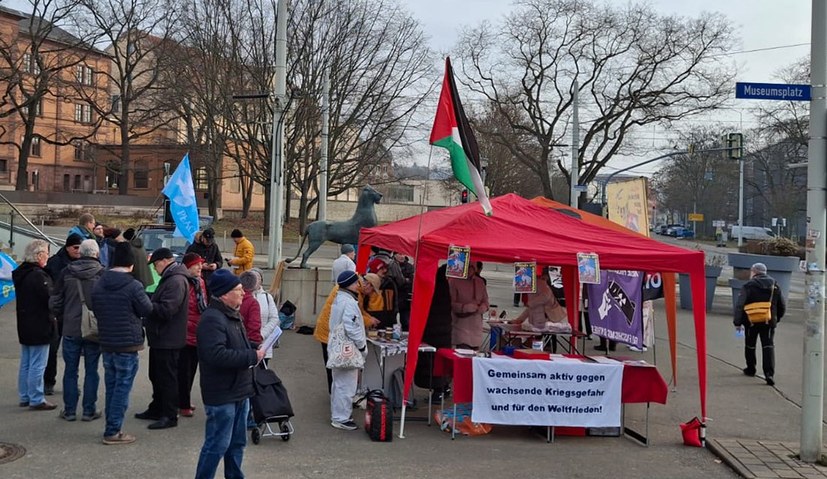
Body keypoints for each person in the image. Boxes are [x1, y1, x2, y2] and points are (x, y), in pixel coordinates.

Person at [194, 269, 264, 479]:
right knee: (217, 445)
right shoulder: (212, 319)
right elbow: (216, 355)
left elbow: (234, 345)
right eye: (238, 290)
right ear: (224, 294)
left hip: (240, 391)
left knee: (237, 444)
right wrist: (251, 356)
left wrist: (252, 346)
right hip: (222, 394)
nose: (243, 293)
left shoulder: (232, 314)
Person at [91, 242, 153, 445]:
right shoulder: (133, 285)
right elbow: (146, 309)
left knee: (111, 386)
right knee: (122, 388)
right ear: (131, 264)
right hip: (127, 343)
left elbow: (94, 306)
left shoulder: (99, 282)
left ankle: (111, 424)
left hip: (107, 341)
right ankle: (113, 430)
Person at [49, 239, 104, 422]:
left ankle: (70, 410)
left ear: (80, 252)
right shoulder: (102, 273)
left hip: (71, 327)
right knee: (92, 370)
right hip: (94, 329)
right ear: (96, 254)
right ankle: (89, 410)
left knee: (70, 370)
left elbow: (55, 301)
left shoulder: (67, 272)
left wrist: (62, 315)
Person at [136, 247, 189, 430]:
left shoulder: (175, 281)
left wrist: (148, 305)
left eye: (156, 265)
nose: (155, 269)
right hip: (162, 337)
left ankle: (169, 414)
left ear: (165, 261)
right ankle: (157, 408)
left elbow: (168, 309)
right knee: (156, 375)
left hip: (168, 338)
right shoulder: (172, 278)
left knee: (167, 378)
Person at [314, 276, 378, 393]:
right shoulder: (352, 292)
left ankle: (336, 394)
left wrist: (370, 318)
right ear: (368, 285)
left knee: (335, 368)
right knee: (336, 367)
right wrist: (362, 346)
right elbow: (352, 318)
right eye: (372, 290)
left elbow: (359, 311)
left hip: (330, 331)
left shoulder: (354, 288)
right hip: (329, 333)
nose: (371, 294)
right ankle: (336, 394)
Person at [14, 239, 58, 411]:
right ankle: (36, 397)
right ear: (39, 255)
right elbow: (49, 299)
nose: (48, 256)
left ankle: (25, 395)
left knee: (26, 361)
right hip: (40, 322)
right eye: (47, 253)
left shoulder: (21, 273)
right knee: (38, 363)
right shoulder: (38, 276)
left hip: (25, 321)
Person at [43, 233, 83, 395]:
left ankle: (71, 384)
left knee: (73, 353)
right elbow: (49, 287)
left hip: (74, 313)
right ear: (67, 247)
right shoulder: (55, 262)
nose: (78, 251)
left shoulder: (82, 263)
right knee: (52, 350)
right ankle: (48, 382)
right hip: (58, 314)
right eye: (75, 247)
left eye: (80, 248)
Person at [328, 270, 368, 431]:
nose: (359, 284)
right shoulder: (349, 302)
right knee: (347, 385)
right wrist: (362, 346)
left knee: (338, 384)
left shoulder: (339, 299)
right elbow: (352, 327)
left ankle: (338, 415)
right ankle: (341, 418)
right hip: (347, 350)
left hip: (337, 347)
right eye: (357, 282)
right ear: (352, 284)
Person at [735, 262, 786, 386]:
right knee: (768, 346)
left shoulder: (748, 285)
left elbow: (740, 305)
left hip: (751, 321)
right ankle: (769, 374)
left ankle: (751, 369)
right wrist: (776, 318)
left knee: (750, 345)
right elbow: (782, 305)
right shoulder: (775, 285)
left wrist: (738, 322)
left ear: (754, 271)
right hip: (768, 321)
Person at [178, 253, 208, 418]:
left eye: (200, 264)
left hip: (198, 331)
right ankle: (182, 403)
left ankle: (185, 399)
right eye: (196, 264)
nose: (200, 267)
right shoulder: (183, 282)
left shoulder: (200, 283)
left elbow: (203, 305)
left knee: (192, 368)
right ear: (188, 266)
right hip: (185, 332)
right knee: (184, 370)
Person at [448, 261, 489, 349]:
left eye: (472, 267)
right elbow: (449, 303)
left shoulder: (480, 282)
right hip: (460, 327)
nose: (470, 269)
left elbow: (486, 301)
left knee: (474, 359)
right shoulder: (454, 281)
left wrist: (484, 307)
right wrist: (464, 308)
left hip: (476, 329)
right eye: (468, 266)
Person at [243, 269, 280, 365]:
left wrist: (262, 334)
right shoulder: (242, 296)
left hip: (264, 343)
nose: (255, 280)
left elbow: (274, 318)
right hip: (246, 343)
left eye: (257, 277)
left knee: (262, 374)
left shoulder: (267, 297)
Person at [239, 272, 263, 347]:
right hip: (246, 342)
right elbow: (254, 325)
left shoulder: (232, 298)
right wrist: (255, 343)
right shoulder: (252, 303)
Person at [395, 253, 414, 331]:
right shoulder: (392, 265)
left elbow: (411, 280)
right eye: (400, 254)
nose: (402, 256)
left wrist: (404, 281)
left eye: (403, 254)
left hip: (405, 298)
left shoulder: (409, 267)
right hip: (394, 296)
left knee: (406, 322)